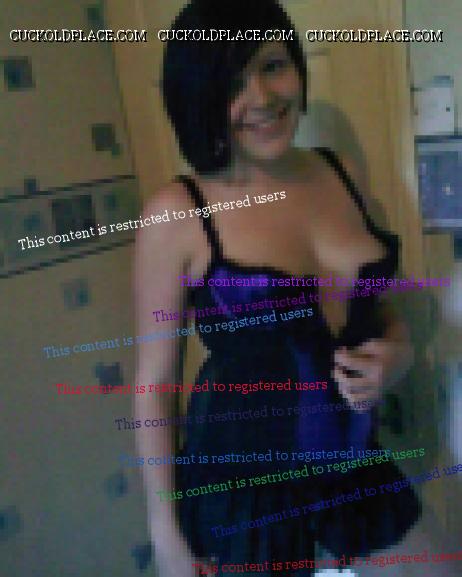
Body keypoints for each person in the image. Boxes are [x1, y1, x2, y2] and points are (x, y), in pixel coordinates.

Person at [135, 1, 419, 575]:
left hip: (357, 472)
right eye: (232, 83)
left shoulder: (341, 172)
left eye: (272, 65)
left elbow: (375, 307)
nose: (263, 98)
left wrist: (400, 351)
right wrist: (164, 533)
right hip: (244, 496)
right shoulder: (178, 213)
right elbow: (155, 384)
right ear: (199, 97)